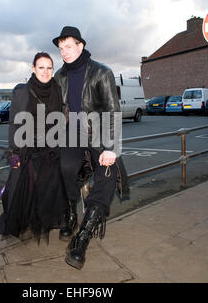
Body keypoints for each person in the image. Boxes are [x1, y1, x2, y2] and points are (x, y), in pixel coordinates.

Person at [53, 26, 130, 269]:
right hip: (72, 136)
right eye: (61, 48)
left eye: (68, 46)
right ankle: (71, 214)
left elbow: (112, 111)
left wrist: (110, 148)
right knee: (63, 167)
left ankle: (83, 236)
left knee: (108, 173)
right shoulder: (59, 77)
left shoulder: (101, 73)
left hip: (98, 137)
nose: (64, 52)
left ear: (80, 46)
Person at [0, 52, 68, 244]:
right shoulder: (21, 92)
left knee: (46, 190)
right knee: (23, 190)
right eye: (41, 67)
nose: (45, 71)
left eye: (49, 67)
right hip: (27, 149)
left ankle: (42, 221)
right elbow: (14, 124)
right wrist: (13, 152)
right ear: (33, 69)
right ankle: (23, 223)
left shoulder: (58, 90)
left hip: (51, 149)